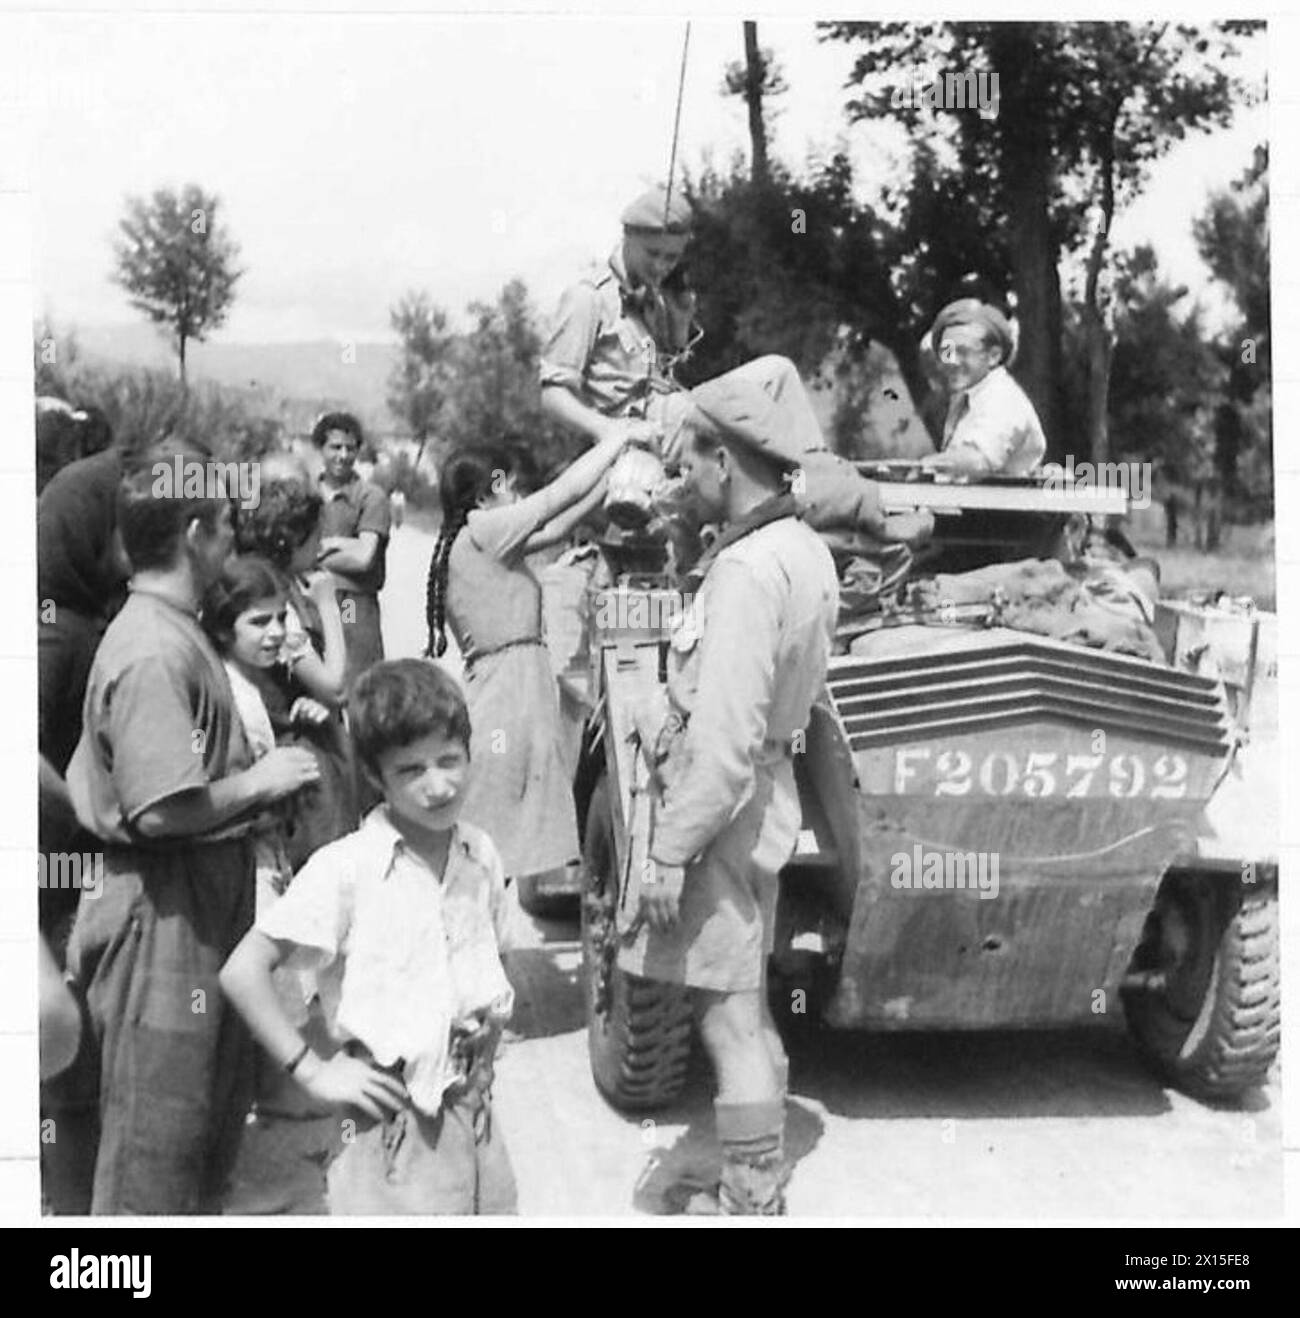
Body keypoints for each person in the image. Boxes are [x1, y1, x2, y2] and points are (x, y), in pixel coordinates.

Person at [62, 450, 321, 1213]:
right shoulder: (152, 648)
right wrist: (261, 782)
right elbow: (159, 809)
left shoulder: (168, 630)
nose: (235, 539)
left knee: (203, 1135)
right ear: (197, 532)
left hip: (194, 904)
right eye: (228, 525)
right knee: (156, 1152)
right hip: (162, 920)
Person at [619, 375, 838, 1216]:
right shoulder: (802, 549)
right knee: (745, 1000)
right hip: (764, 803)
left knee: (726, 1019)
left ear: (724, 459)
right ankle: (756, 1171)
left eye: (688, 460)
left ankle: (749, 1200)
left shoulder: (747, 570)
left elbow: (724, 744)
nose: (682, 476)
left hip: (724, 815)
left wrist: (672, 848)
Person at [220, 659, 518, 1215]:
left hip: (472, 1110)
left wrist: (485, 1050)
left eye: (450, 760)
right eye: (411, 770)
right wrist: (312, 1069)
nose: (438, 785)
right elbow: (243, 970)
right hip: (388, 1124)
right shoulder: (347, 868)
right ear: (377, 778)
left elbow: (497, 956)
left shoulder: (480, 854)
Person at [425, 432, 633, 889]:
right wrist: (619, 440)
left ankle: (476, 945)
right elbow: (559, 497)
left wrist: (612, 480)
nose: (517, 497)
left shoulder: (482, 538)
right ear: (483, 495)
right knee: (486, 841)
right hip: (507, 695)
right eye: (509, 488)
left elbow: (558, 527)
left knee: (493, 841)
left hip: (514, 690)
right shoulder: (484, 527)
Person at [235, 474, 361, 867]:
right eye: (315, 538)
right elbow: (335, 687)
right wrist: (329, 603)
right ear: (291, 541)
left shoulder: (263, 584)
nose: (321, 547)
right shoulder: (280, 605)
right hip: (301, 752)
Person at [920, 297, 1047, 476]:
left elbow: (977, 461)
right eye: (946, 352)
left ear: (993, 356)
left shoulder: (1003, 399)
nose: (952, 362)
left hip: (1003, 503)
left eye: (963, 352)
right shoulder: (965, 399)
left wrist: (920, 466)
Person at [311, 412, 391, 683]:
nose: (343, 455)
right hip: (310, 599)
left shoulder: (371, 496)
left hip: (352, 603)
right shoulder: (306, 493)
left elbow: (363, 558)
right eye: (335, 447)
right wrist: (340, 545)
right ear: (321, 449)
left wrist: (310, 555)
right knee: (313, 683)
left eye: (350, 448)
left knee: (359, 681)